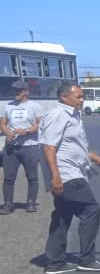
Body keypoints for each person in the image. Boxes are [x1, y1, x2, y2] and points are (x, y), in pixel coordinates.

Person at [38, 82, 100, 274]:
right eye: (78, 97)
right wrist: (56, 177)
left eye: (82, 97)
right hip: (67, 175)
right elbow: (49, 147)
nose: (82, 100)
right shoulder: (58, 115)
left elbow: (78, 148)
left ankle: (55, 262)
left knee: (63, 216)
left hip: (73, 171)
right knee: (91, 210)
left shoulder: (73, 115)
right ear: (64, 97)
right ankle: (87, 260)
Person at [1, 79, 43, 214]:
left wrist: (27, 131)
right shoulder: (8, 106)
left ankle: (30, 203)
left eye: (18, 90)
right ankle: (8, 204)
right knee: (8, 177)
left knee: (32, 177)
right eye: (14, 90)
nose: (15, 93)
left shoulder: (35, 107)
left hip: (29, 147)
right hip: (11, 148)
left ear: (26, 92)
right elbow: (3, 123)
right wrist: (8, 132)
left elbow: (40, 124)